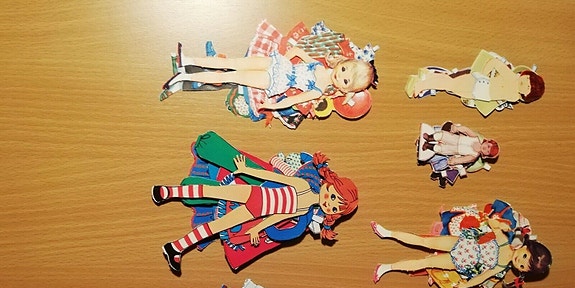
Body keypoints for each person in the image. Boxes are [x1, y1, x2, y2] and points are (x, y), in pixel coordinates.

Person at [153, 153, 358, 275]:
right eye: (332, 196)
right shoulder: (303, 185)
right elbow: (272, 177)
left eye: (334, 207)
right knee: (211, 191)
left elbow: (277, 217)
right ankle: (167, 191)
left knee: (216, 227)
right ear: (328, 184)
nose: (328, 202)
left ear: (333, 214)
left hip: (255, 211)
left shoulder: (304, 211)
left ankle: (175, 248)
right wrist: (245, 170)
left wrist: (257, 229)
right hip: (254, 193)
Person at [161, 43, 378, 110]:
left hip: (275, 81)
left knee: (232, 76)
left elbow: (293, 100)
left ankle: (182, 77)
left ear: (346, 89)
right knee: (232, 63)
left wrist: (271, 106)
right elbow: (296, 51)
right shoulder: (319, 65)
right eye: (344, 69)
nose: (341, 76)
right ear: (343, 63)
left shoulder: (318, 90)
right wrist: (284, 61)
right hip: (278, 65)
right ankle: (187, 60)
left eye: (346, 81)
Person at [371, 218, 551, 288]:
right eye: (525, 256)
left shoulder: (501, 267)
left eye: (523, 266)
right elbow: (491, 223)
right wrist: (500, 225)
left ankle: (386, 268)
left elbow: (482, 277)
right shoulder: (504, 241)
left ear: (522, 271)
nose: (520, 261)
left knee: (423, 263)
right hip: (462, 242)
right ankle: (388, 233)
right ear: (526, 247)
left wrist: (466, 285)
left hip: (458, 261)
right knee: (424, 241)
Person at [405, 50, 544, 116]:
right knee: (451, 83)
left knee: (452, 87)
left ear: (527, 95)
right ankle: (422, 84)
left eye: (528, 87)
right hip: (478, 83)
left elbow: (496, 100)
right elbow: (494, 63)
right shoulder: (511, 76)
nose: (525, 84)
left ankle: (428, 77)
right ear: (525, 74)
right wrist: (483, 75)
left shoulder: (513, 97)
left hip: (478, 95)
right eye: (528, 80)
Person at [421, 122, 499, 166]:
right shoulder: (475, 138)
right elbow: (466, 130)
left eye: (488, 151)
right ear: (487, 141)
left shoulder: (473, 156)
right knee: (442, 135)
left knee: (440, 149)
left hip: (454, 150)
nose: (486, 148)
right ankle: (430, 137)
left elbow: (463, 159)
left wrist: (455, 161)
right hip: (455, 139)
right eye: (488, 146)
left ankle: (428, 146)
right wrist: (457, 128)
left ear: (486, 155)